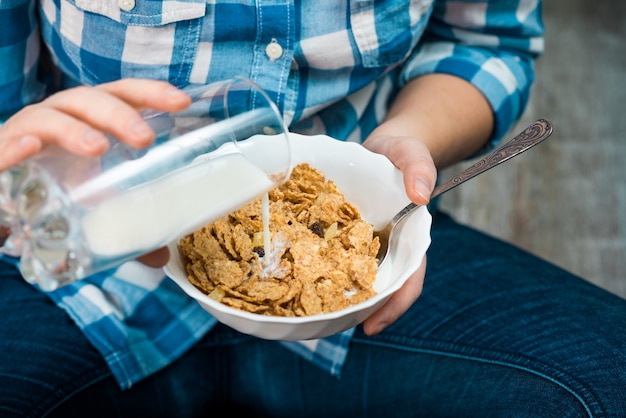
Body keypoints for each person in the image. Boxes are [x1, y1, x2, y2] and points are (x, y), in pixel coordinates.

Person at [0, 0, 624, 416]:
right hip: (90, 274)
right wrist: (19, 155)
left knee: (606, 377)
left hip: (363, 299)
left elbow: (484, 42)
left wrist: (404, 148)